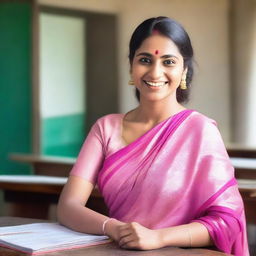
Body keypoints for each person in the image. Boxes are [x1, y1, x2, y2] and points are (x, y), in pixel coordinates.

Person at [57, 16, 249, 255]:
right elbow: (68, 207)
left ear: (184, 70)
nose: (155, 72)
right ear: (131, 66)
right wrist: (115, 228)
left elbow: (228, 220)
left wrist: (157, 238)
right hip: (121, 249)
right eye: (145, 60)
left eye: (168, 61)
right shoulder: (105, 128)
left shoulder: (201, 131)